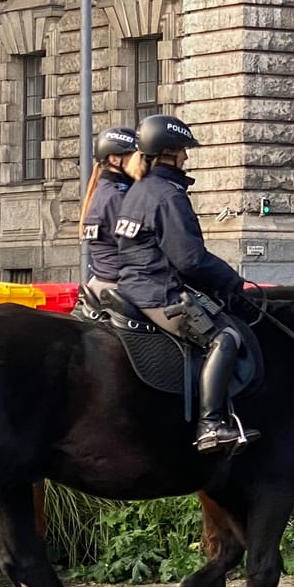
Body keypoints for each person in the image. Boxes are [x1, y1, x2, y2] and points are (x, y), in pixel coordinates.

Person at [113, 113, 259, 453]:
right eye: (183, 150)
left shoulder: (138, 190)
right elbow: (190, 260)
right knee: (225, 337)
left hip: (133, 283)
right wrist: (233, 280)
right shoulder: (167, 195)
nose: (186, 157)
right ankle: (211, 424)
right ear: (169, 152)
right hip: (157, 291)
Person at [78, 126, 139, 309]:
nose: (141, 162)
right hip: (120, 285)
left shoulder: (104, 191)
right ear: (114, 159)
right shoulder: (116, 197)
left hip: (102, 281)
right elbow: (135, 248)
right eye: (135, 156)